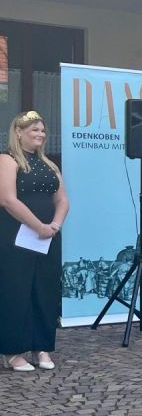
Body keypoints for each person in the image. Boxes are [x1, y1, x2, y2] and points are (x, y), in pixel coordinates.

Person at [0, 111, 70, 371]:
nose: (40, 134)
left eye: (42, 130)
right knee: (16, 290)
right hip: (15, 236)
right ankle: (13, 351)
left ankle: (42, 347)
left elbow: (62, 200)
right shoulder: (7, 160)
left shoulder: (50, 164)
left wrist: (54, 226)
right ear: (19, 132)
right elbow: (7, 199)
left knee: (45, 289)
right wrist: (37, 226)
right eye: (34, 130)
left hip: (47, 237)